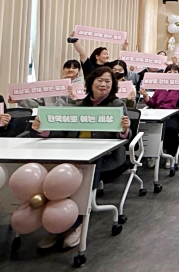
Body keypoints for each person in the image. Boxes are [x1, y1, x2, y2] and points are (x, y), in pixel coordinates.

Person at [30, 66, 131, 250]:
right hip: (74, 153)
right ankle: (57, 224)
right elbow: (62, 131)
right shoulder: (78, 106)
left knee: (81, 176)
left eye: (108, 81)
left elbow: (123, 136)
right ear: (90, 83)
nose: (103, 84)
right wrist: (43, 129)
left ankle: (74, 224)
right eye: (100, 80)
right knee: (59, 177)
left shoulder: (117, 105)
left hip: (104, 156)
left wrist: (124, 130)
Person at [139, 64, 179, 165]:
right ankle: (152, 154)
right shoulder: (160, 87)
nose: (172, 74)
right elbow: (152, 103)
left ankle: (170, 155)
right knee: (149, 128)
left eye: (175, 72)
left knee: (170, 128)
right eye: (169, 72)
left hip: (172, 115)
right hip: (157, 114)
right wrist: (145, 96)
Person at [14, 60, 84, 108]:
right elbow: (40, 103)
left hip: (72, 118)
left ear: (78, 71)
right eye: (68, 67)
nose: (70, 70)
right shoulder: (53, 86)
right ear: (63, 70)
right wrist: (19, 100)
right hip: (50, 118)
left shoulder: (83, 85)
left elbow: (84, 103)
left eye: (74, 68)